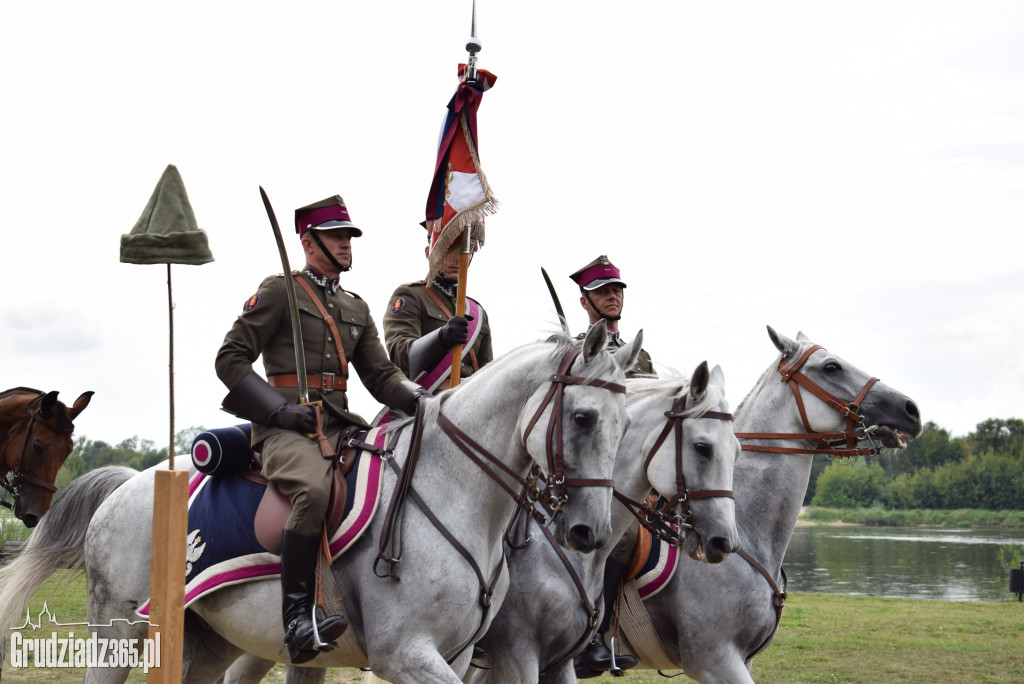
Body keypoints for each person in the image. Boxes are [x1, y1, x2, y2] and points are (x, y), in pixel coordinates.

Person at [215, 194, 423, 664]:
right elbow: (230, 359)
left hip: (341, 425)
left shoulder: (355, 305)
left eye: (349, 236)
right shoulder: (277, 291)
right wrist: (277, 411)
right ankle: (296, 619)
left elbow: (381, 376)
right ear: (309, 244)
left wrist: (423, 400)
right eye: (336, 236)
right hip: (286, 430)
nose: (347, 244)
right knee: (313, 489)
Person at [569, 254, 654, 678]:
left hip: (636, 468)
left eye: (617, 290)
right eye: (603, 292)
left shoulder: (640, 354)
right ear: (585, 302)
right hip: (588, 469)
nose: (612, 297)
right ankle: (592, 638)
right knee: (614, 539)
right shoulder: (573, 351)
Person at [383, 224, 493, 390]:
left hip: (471, 403)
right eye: (448, 250)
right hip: (427, 401)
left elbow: (488, 373)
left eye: (463, 251)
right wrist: (440, 339)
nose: (457, 259)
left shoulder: (477, 311)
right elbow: (400, 356)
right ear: (429, 253)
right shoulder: (412, 296)